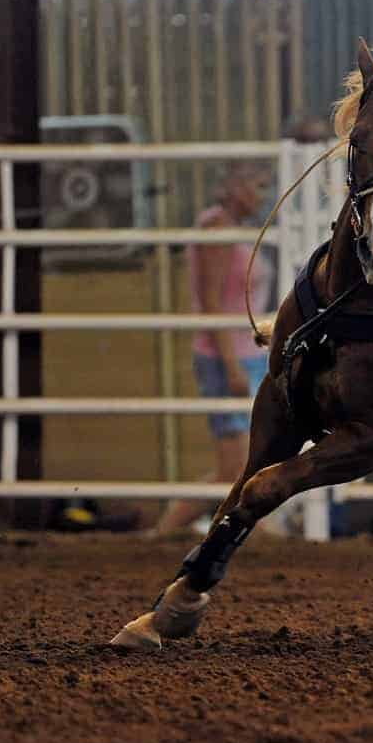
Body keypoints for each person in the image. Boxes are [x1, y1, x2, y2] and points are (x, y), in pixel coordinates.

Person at [150, 161, 276, 535]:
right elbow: (211, 300)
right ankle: (163, 533)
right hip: (227, 357)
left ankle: (167, 534)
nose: (263, 196)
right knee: (233, 469)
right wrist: (232, 366)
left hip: (246, 356)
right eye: (257, 185)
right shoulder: (216, 227)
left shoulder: (236, 228)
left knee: (240, 468)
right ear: (234, 186)